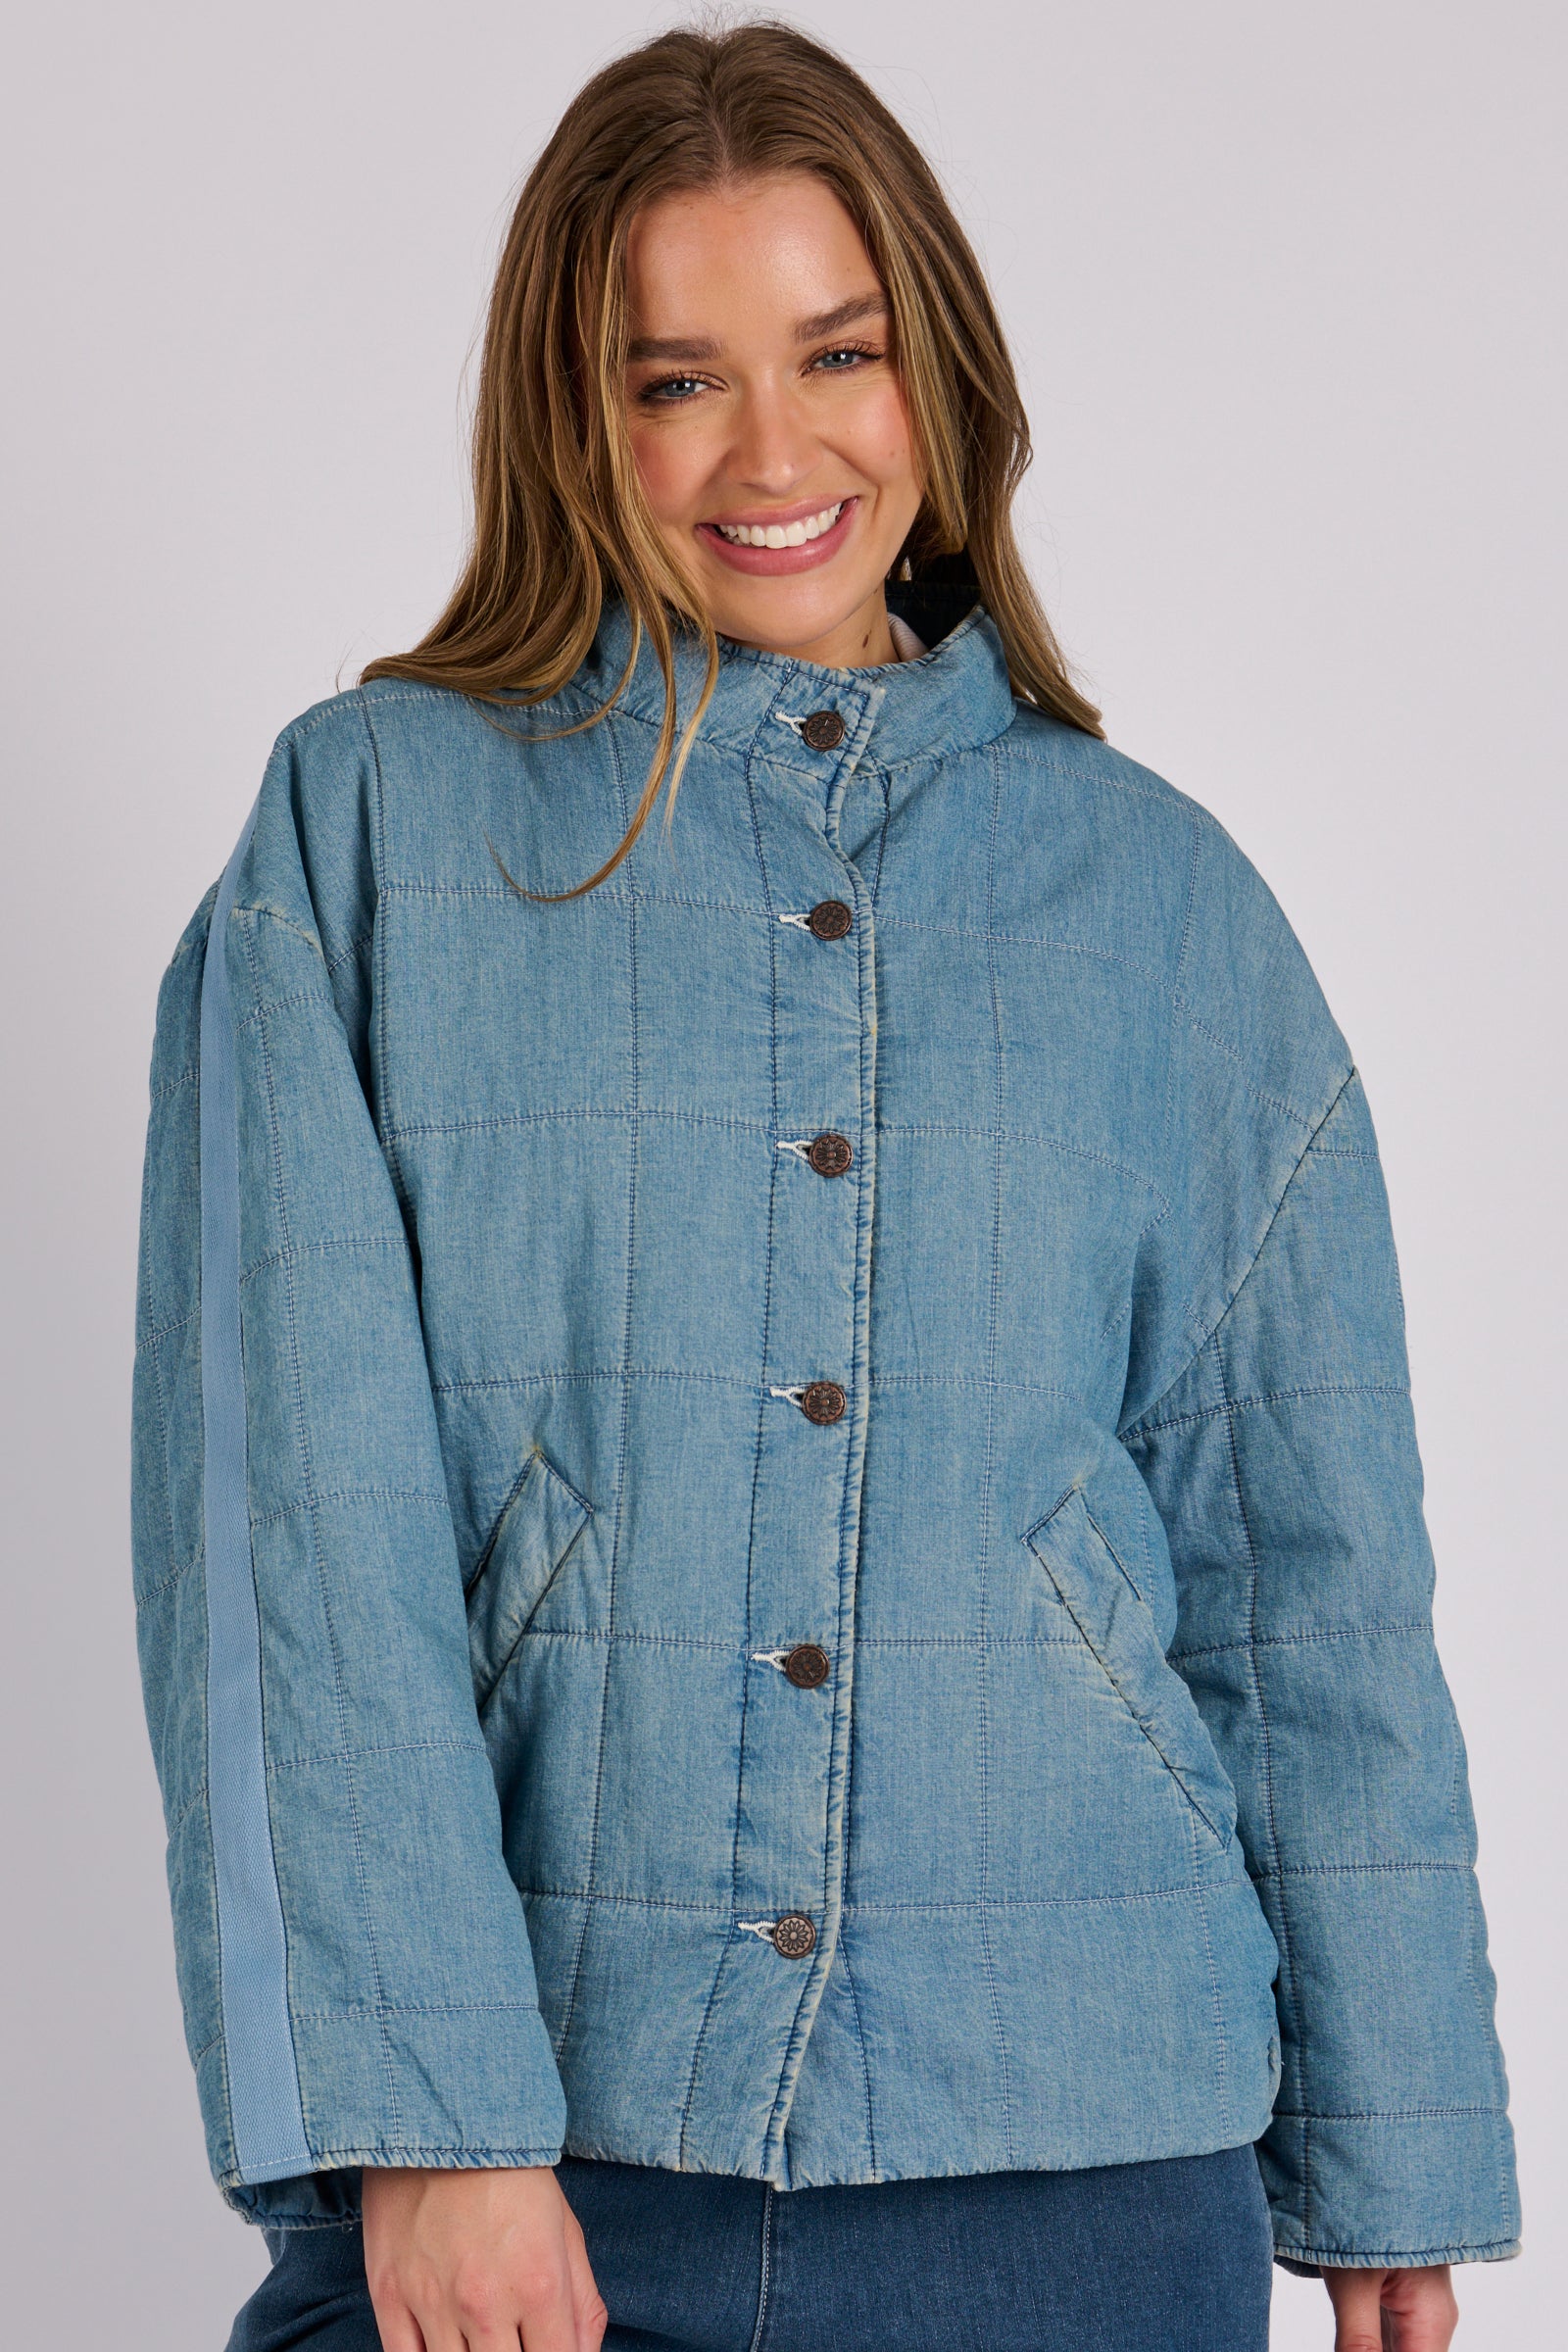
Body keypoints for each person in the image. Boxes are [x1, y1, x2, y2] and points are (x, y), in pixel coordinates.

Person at [130, 23, 1518, 2352]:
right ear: (573, 417)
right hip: (539, 2170)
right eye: (673, 380)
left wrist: (1392, 2156)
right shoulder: (367, 836)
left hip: (1085, 2176)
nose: (771, 455)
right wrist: (434, 2127)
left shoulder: (1167, 909)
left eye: (835, 353)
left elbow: (1307, 1586)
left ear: (935, 373)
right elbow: (292, 1544)